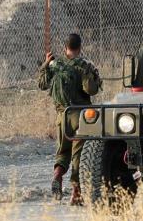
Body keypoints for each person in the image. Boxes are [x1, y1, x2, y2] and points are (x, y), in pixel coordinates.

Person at [37, 32, 101, 206]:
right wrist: (91, 75)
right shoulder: (83, 65)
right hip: (80, 117)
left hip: (61, 117)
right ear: (79, 48)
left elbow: (42, 84)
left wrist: (46, 63)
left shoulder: (54, 64)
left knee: (62, 152)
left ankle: (57, 175)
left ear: (65, 48)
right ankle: (76, 193)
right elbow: (91, 90)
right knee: (78, 156)